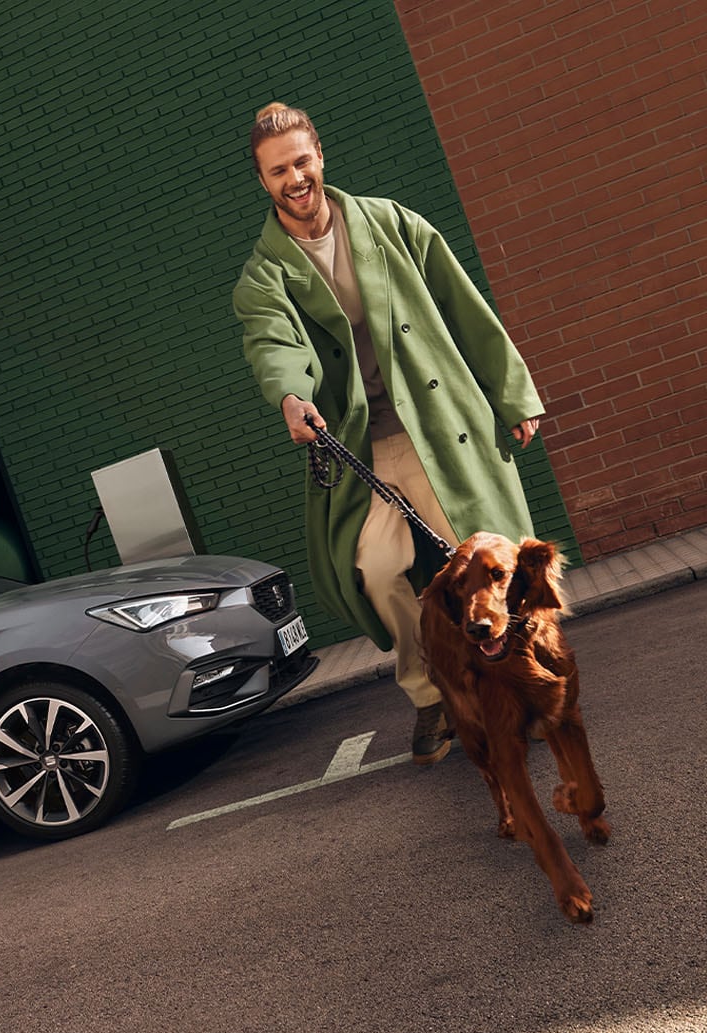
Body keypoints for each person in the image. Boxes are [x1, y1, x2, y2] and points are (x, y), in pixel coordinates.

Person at [232, 101, 551, 766]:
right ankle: (432, 697)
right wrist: (291, 397)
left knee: (480, 559)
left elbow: (465, 304)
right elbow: (273, 343)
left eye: (301, 162)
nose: (294, 178)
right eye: (277, 171)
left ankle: (522, 681)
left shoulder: (391, 223)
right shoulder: (264, 276)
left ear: (320, 156)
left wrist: (511, 391)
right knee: (377, 573)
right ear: (262, 181)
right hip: (362, 453)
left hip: (437, 426)